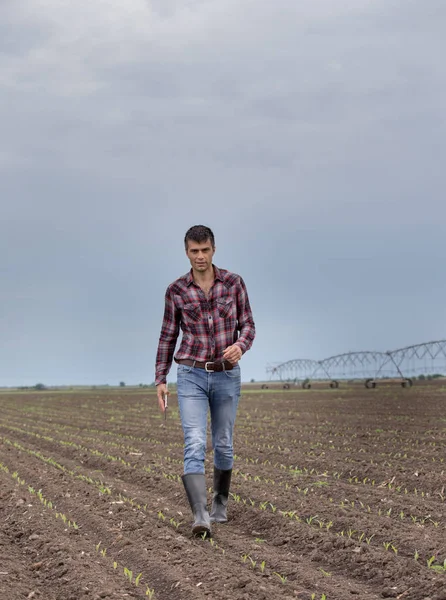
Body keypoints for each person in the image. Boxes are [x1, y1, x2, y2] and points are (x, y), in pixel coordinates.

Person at [155, 225, 255, 536]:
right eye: (194, 251)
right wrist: (161, 377)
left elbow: (248, 325)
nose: (200, 256)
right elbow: (168, 335)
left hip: (226, 374)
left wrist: (240, 346)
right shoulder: (176, 290)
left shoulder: (233, 283)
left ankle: (219, 504)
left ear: (213, 249)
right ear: (186, 252)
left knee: (223, 443)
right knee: (195, 441)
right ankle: (200, 516)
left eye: (205, 250)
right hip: (190, 374)